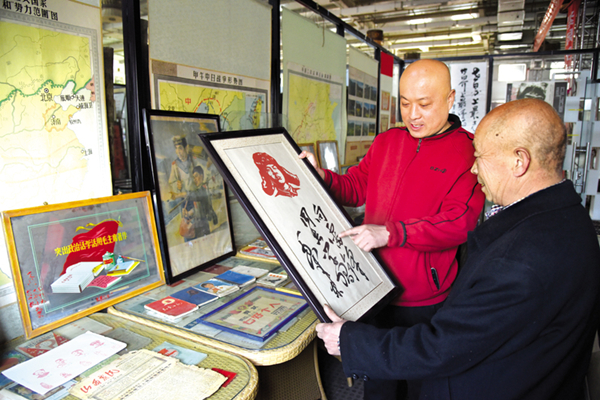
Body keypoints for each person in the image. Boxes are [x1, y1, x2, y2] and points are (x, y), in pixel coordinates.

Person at [316, 98, 600, 400]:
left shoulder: (522, 260)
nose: (474, 169)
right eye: (404, 101)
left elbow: (444, 347)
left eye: (480, 157)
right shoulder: (567, 215)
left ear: (520, 161)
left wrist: (349, 342)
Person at [301, 59, 485, 399]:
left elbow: (461, 222)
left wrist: (392, 233)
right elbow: (355, 187)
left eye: (425, 104)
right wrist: (322, 177)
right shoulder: (388, 141)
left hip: (424, 301)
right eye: (404, 102)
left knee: (422, 387)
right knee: (379, 383)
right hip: (373, 288)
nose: (413, 114)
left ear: (450, 98)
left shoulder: (467, 151)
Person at [180, 166, 218, 241]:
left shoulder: (203, 190)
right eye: (193, 177)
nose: (195, 179)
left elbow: (207, 206)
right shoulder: (191, 190)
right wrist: (183, 210)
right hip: (191, 228)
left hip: (202, 227)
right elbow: (185, 203)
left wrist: (213, 215)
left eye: (196, 176)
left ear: (202, 176)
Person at [168, 136, 203, 200]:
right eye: (176, 149)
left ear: (186, 148)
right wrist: (176, 185)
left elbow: (203, 173)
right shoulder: (175, 165)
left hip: (196, 195)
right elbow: (171, 182)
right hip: (184, 199)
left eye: (180, 148)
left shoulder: (193, 160)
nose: (178, 152)